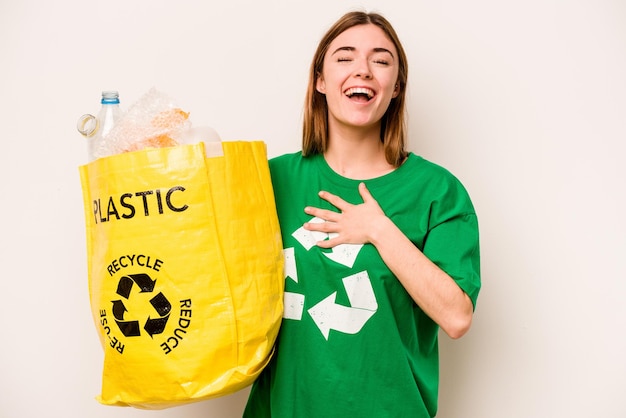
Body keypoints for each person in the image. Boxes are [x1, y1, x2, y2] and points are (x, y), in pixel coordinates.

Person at [244, 10, 480, 418]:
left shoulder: (436, 192)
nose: (364, 70)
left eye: (381, 60)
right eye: (345, 57)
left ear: (396, 87)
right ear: (320, 80)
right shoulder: (271, 178)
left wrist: (379, 230)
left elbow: (457, 316)